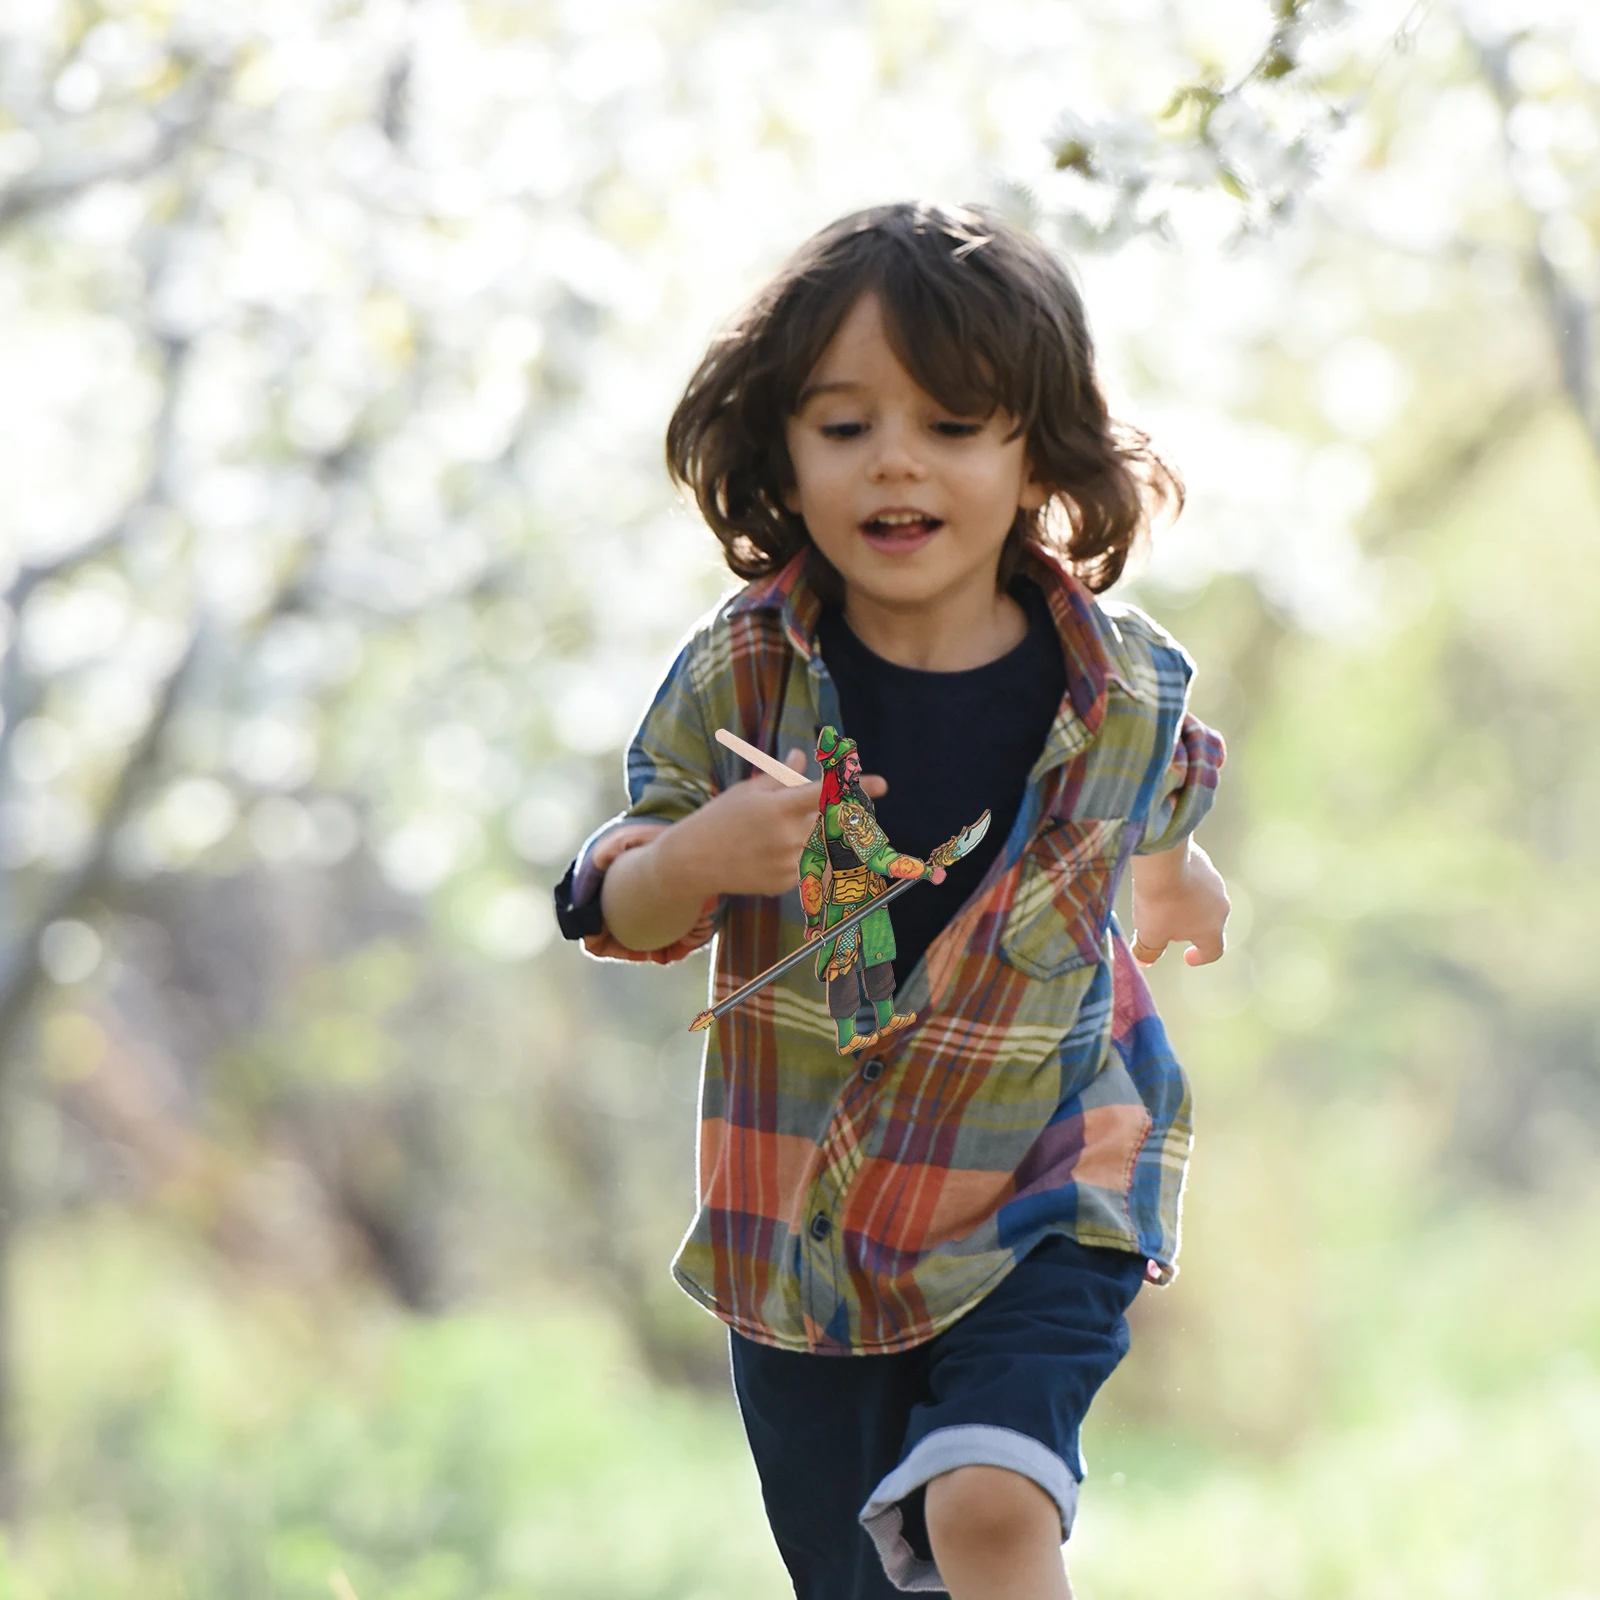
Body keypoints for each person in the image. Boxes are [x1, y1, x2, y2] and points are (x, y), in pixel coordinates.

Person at [553, 201, 1229, 1600]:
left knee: (989, 1505)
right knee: (864, 1579)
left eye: (952, 425)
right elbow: (609, 898)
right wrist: (694, 864)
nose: (895, 463)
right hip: (810, 1229)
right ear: (782, 455)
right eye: (845, 427)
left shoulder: (1128, 683)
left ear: (1036, 448)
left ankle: (990, 1503)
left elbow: (1157, 800)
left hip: (1052, 1168)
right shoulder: (742, 676)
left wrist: (1177, 879)